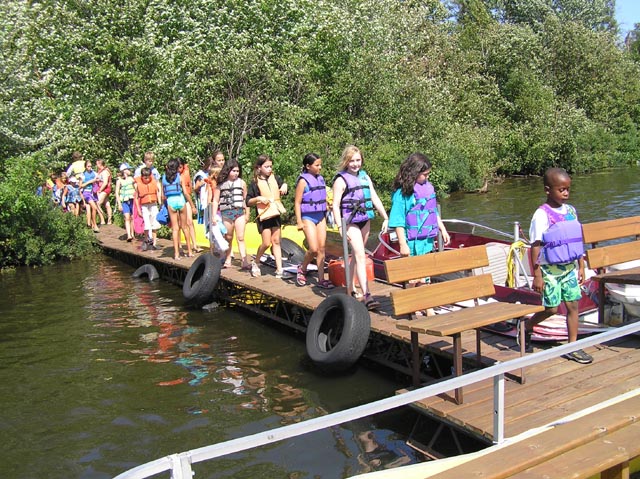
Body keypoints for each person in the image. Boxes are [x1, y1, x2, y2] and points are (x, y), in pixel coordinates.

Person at [525, 167, 592, 364]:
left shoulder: (571, 211)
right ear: (548, 190)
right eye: (561, 190)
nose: (566, 193)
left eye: (568, 189)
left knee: (573, 306)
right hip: (549, 270)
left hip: (569, 268)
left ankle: (573, 346)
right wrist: (537, 275)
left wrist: (581, 266)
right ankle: (527, 327)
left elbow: (576, 240)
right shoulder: (541, 215)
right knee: (552, 309)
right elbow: (535, 246)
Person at [332, 145, 388, 310]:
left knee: (357, 256)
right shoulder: (340, 180)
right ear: (346, 161)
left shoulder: (365, 177)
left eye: (358, 160)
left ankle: (350, 288)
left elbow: (374, 197)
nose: (355, 164)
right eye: (352, 161)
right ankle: (367, 295)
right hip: (350, 221)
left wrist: (385, 217)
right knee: (360, 255)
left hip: (364, 219)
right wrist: (340, 226)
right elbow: (335, 205)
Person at [389, 152, 450, 258]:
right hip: (411, 245)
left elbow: (433, 211)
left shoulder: (427, 188)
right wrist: (403, 245)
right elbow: (398, 221)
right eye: (425, 175)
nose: (427, 177)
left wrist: (443, 229)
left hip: (428, 243)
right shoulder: (401, 194)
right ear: (414, 172)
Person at [294, 153, 333, 289]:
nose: (320, 167)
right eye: (317, 165)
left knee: (322, 248)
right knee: (313, 249)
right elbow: (297, 203)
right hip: (308, 217)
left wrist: (327, 205)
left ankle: (321, 279)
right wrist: (299, 221)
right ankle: (302, 268)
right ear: (308, 166)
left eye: (320, 165)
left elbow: (321, 196)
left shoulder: (321, 179)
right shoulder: (303, 181)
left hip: (320, 216)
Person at [246, 154, 288, 278]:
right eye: (266, 167)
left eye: (270, 166)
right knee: (266, 243)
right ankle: (256, 262)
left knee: (276, 241)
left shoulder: (276, 178)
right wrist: (258, 198)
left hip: (275, 213)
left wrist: (285, 185)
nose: (269, 169)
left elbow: (283, 187)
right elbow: (248, 201)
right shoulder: (254, 183)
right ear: (259, 167)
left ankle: (279, 269)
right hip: (264, 215)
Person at [212, 160, 250, 269]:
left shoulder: (242, 183)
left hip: (239, 212)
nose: (236, 173)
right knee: (228, 237)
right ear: (228, 171)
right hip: (226, 213)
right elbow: (215, 200)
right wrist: (214, 215)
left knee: (240, 237)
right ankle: (228, 258)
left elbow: (245, 199)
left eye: (237, 171)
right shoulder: (221, 185)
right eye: (233, 171)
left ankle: (244, 261)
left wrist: (247, 213)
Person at [162, 158, 193, 260]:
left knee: (175, 229)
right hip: (180, 200)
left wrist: (162, 206)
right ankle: (190, 251)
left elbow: (163, 196)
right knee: (185, 227)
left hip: (171, 202)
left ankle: (176, 254)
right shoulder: (180, 177)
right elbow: (185, 193)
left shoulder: (163, 178)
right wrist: (192, 205)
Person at [134, 166, 162, 251]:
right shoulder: (138, 184)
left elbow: (158, 192)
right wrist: (138, 210)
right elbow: (136, 198)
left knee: (154, 223)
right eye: (145, 178)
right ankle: (146, 240)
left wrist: (160, 202)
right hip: (144, 206)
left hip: (153, 204)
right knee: (146, 223)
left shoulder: (154, 182)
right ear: (142, 177)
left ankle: (154, 243)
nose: (147, 179)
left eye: (148, 177)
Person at [178, 158, 202, 253]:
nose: (179, 169)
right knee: (179, 224)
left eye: (180, 167)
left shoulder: (186, 173)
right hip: (178, 201)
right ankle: (179, 246)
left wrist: (192, 206)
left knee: (190, 222)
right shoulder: (174, 176)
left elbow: (187, 192)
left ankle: (195, 245)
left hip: (186, 200)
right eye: (177, 167)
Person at [115, 163, 135, 241]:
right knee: (127, 217)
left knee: (132, 217)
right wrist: (119, 204)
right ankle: (129, 235)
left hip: (132, 200)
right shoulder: (119, 180)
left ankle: (132, 233)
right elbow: (117, 193)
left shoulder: (131, 179)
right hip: (124, 201)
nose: (130, 171)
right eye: (128, 169)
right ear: (124, 170)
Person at [79, 160, 100, 232]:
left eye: (90, 166)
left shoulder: (94, 173)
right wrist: (90, 181)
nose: (90, 168)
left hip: (93, 192)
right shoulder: (83, 175)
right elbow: (80, 185)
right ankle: (95, 225)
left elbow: (98, 179)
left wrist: (97, 181)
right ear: (85, 167)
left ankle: (93, 224)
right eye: (88, 166)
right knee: (94, 207)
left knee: (93, 209)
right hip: (86, 192)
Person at [95, 159, 113, 225]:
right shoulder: (101, 171)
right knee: (107, 204)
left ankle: (104, 217)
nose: (96, 165)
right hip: (104, 189)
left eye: (97, 164)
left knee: (97, 204)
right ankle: (109, 220)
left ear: (100, 164)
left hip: (105, 189)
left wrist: (100, 190)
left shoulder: (105, 172)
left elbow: (105, 182)